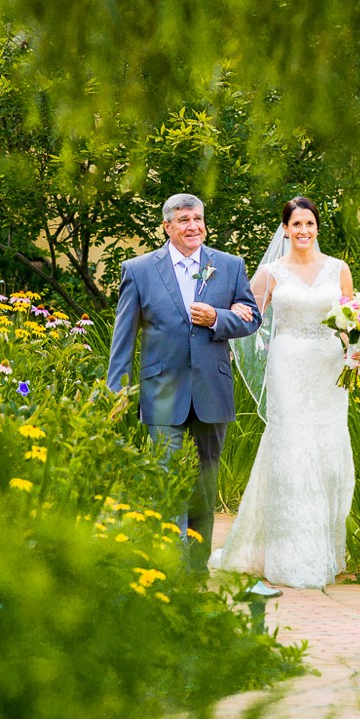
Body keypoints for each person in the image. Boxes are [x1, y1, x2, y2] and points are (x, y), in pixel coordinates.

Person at [106, 193, 262, 574]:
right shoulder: (139, 270)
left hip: (212, 389)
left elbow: (251, 317)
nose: (193, 226)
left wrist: (218, 318)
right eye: (183, 220)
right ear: (167, 227)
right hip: (162, 390)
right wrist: (116, 390)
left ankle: (196, 568)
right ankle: (169, 565)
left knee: (204, 485)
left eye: (198, 219)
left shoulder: (228, 266)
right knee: (165, 478)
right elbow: (123, 337)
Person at [210, 196, 359, 589]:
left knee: (326, 451)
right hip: (288, 367)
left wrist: (357, 346)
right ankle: (288, 555)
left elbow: (350, 320)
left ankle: (324, 549)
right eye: (296, 225)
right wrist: (218, 327)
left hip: (328, 370)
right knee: (291, 449)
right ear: (286, 229)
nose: (303, 231)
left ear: (317, 226)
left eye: (309, 223)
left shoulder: (338, 270)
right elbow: (245, 315)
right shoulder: (272, 272)